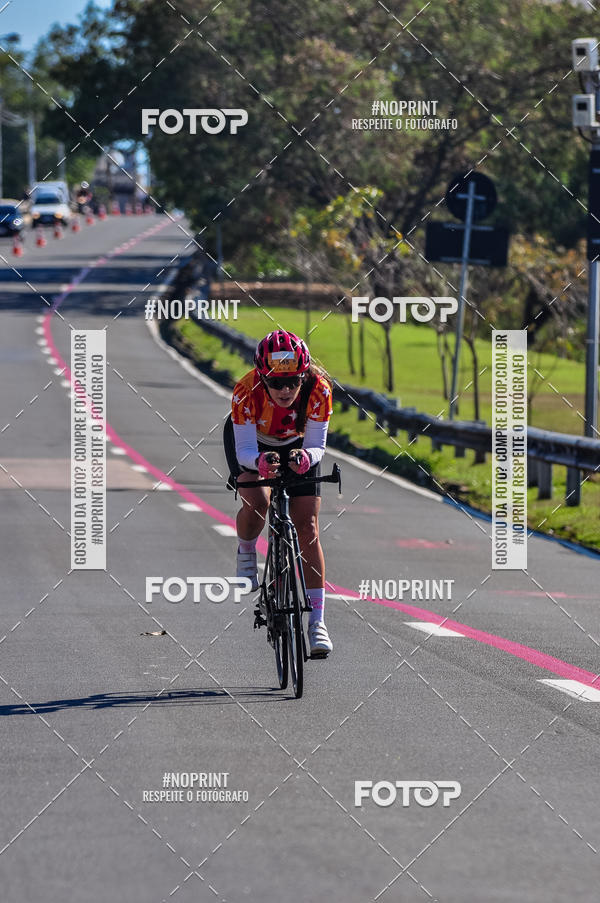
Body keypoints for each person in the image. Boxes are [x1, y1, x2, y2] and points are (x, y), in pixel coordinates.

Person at [223, 329, 334, 657]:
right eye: (275, 383)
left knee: (308, 527)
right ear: (261, 378)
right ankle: (246, 550)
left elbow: (317, 446)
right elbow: (244, 450)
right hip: (254, 445)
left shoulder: (318, 390)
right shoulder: (245, 391)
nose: (285, 390)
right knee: (258, 501)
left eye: (293, 382)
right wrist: (258, 461)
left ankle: (317, 623)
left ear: (305, 376)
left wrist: (304, 458)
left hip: (298, 445)